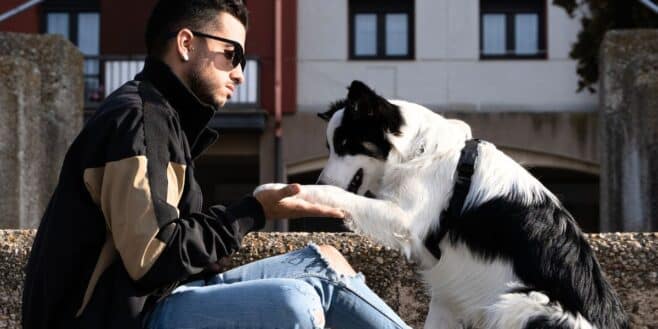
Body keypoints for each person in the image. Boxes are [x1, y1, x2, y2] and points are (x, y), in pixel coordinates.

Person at [22, 1, 411, 329]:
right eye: (232, 55)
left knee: (323, 262)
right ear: (187, 44)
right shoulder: (138, 119)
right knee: (294, 300)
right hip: (114, 319)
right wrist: (255, 211)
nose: (240, 73)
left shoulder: (164, 116)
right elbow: (153, 256)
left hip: (156, 299)